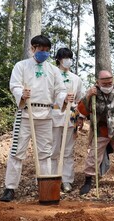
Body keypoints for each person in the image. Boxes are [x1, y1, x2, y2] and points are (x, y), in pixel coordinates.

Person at [0, 35, 74, 202]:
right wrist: (21, 94)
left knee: (45, 153)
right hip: (26, 114)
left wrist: (64, 97)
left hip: (46, 115)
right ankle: (10, 188)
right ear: (32, 48)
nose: (44, 53)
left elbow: (59, 90)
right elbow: (15, 85)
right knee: (17, 152)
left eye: (47, 51)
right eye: (41, 50)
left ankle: (45, 188)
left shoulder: (53, 70)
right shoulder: (21, 66)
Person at [50, 48, 85, 193]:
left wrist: (81, 117)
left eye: (69, 57)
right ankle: (51, 179)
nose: (67, 60)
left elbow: (81, 99)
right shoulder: (51, 75)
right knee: (53, 150)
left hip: (70, 118)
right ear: (58, 58)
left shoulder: (76, 79)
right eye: (64, 57)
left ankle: (67, 181)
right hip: (53, 115)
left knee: (68, 151)